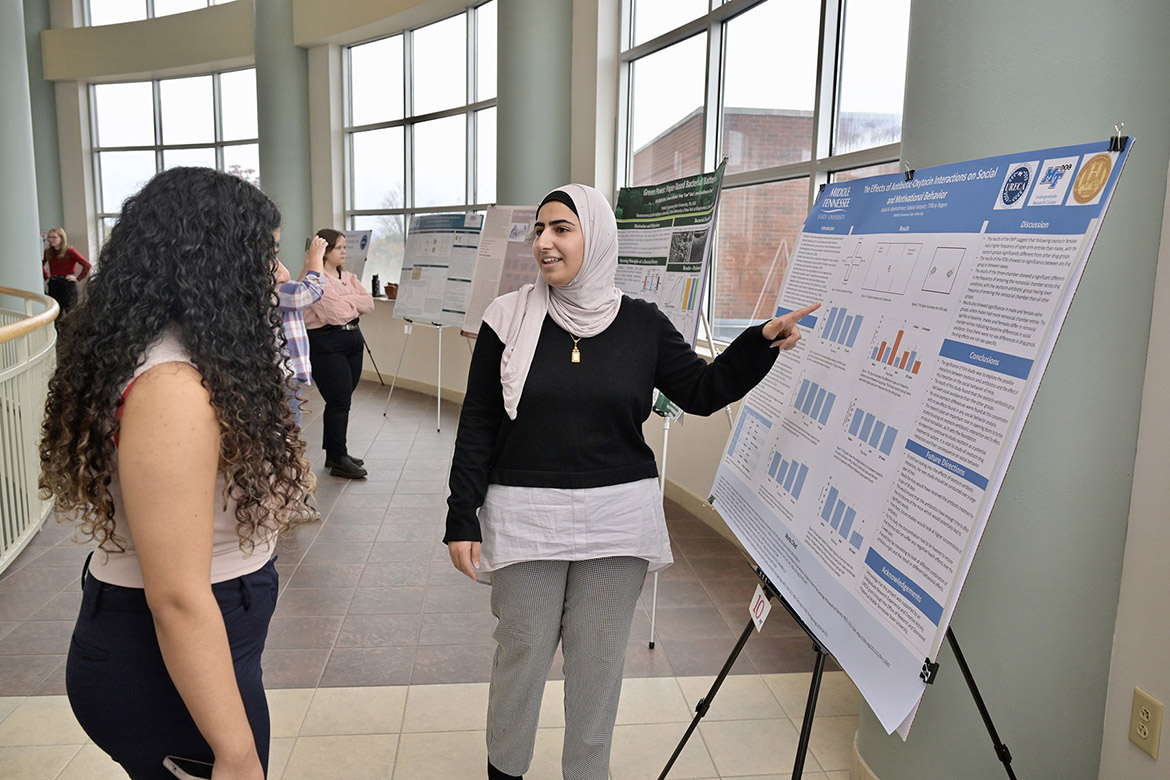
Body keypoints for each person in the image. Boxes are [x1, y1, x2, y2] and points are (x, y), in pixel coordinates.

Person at [444, 183, 819, 780]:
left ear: (595, 238)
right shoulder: (506, 318)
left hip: (615, 522)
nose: (545, 241)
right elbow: (479, 423)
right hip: (523, 518)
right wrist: (461, 514)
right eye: (540, 230)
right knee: (521, 654)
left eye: (562, 228)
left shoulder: (641, 324)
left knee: (597, 667)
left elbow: (701, 390)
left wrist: (759, 342)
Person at [38, 167, 317, 780]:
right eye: (264, 257)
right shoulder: (172, 388)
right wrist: (237, 753)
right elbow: (176, 597)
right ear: (211, 263)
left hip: (192, 646)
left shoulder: (177, 356)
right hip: (162, 660)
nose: (278, 276)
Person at [304, 228, 375, 478]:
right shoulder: (314, 278)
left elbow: (369, 303)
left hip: (353, 338)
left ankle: (335, 452)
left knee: (343, 398)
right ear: (324, 250)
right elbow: (333, 314)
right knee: (339, 399)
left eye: (345, 247)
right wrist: (352, 302)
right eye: (339, 248)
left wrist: (347, 301)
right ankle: (337, 458)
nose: (345, 252)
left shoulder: (349, 276)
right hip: (326, 342)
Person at [274, 232, 327, 425]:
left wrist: (307, 266)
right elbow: (310, 292)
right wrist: (316, 259)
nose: (281, 272)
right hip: (283, 374)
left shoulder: (281, 293)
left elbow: (296, 287)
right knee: (289, 430)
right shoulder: (271, 292)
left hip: (287, 374)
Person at [42, 226, 91, 314]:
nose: (51, 240)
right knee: (55, 312)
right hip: (54, 283)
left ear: (61, 238)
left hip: (67, 283)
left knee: (71, 311)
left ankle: (71, 328)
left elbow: (87, 265)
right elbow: (40, 265)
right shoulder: (48, 252)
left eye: (54, 237)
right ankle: (57, 328)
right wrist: (46, 278)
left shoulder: (69, 251)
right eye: (49, 237)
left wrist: (78, 278)